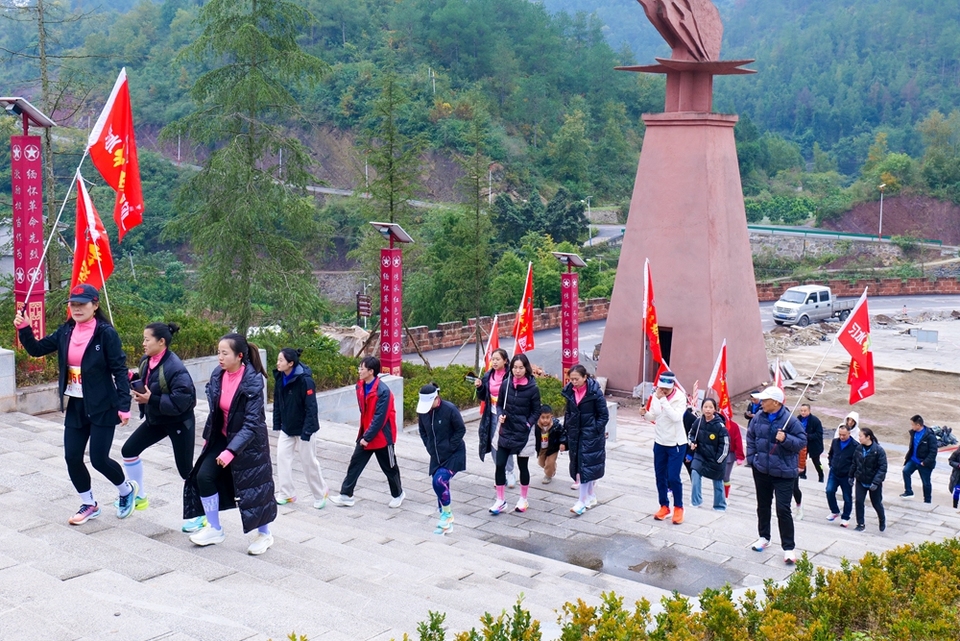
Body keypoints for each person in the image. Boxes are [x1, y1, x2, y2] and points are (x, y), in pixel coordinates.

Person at [15, 284, 138, 525]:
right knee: (72, 457)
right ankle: (89, 503)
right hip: (77, 404)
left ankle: (126, 491)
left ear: (95, 305)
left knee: (99, 459)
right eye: (73, 304)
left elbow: (120, 371)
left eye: (83, 304)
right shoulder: (66, 331)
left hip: (103, 405)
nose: (77, 308)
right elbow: (37, 349)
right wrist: (24, 327)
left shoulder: (105, 333)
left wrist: (125, 406)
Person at [183, 334, 277, 554]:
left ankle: (265, 535)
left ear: (240, 356)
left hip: (249, 444)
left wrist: (231, 451)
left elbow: (252, 423)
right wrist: (209, 437)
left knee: (254, 490)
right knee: (203, 476)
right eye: (218, 352)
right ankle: (214, 528)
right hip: (222, 437)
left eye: (225, 353)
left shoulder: (252, 380)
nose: (220, 357)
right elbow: (216, 411)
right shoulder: (218, 374)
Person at [121, 322, 200, 532]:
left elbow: (184, 402)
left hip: (178, 423)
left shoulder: (176, 368)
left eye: (147, 339)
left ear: (161, 341)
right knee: (128, 451)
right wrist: (134, 380)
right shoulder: (146, 361)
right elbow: (149, 382)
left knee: (186, 471)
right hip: (157, 419)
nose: (143, 343)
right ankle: (139, 497)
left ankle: (200, 514)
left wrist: (151, 399)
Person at [330, 356, 404, 507]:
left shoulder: (383, 391)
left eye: (361, 368)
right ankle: (346, 495)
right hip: (366, 434)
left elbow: (380, 418)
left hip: (383, 436)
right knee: (355, 464)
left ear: (371, 371)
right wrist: (364, 435)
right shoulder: (360, 386)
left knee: (390, 468)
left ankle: (398, 494)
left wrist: (367, 437)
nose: (359, 371)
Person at [745, 386, 806, 564]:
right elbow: (751, 437)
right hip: (762, 470)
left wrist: (786, 439)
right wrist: (752, 459)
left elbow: (802, 441)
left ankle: (788, 548)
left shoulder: (791, 420)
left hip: (784, 474)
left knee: (782, 509)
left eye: (765, 400)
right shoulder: (758, 417)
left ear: (776, 402)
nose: (761, 403)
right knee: (763, 506)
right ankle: (764, 537)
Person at [273, 348, 329, 509]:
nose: (278, 363)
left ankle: (320, 493)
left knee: (309, 462)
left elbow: (312, 408)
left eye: (281, 360)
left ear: (290, 363)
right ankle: (287, 493)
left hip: (305, 429)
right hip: (287, 428)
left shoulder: (305, 380)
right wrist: (278, 423)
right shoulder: (280, 377)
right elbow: (278, 403)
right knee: (282, 458)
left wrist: (307, 431)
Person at [490, 353, 541, 514]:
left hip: (523, 432)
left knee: (522, 466)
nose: (517, 371)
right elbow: (498, 405)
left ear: (526, 369)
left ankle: (523, 498)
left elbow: (536, 410)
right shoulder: (506, 384)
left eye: (521, 368)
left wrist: (527, 423)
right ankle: (500, 500)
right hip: (506, 429)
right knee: (500, 464)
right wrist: (500, 415)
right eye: (515, 368)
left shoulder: (532, 388)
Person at [416, 383, 466, 535]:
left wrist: (450, 446)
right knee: (442, 486)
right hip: (436, 455)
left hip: (454, 454)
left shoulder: (449, 409)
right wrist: (429, 447)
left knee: (439, 481)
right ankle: (445, 522)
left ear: (437, 398)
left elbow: (461, 429)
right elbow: (422, 431)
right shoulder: (423, 412)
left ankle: (447, 515)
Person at [640, 371, 687, 524]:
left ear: (673, 385)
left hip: (676, 443)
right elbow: (654, 416)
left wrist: (664, 400)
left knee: (673, 477)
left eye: (666, 388)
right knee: (660, 476)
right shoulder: (656, 394)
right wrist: (645, 414)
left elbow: (676, 418)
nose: (663, 390)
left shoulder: (680, 397)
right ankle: (664, 506)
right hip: (660, 441)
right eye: (661, 388)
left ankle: (679, 507)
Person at [561, 365, 609, 515]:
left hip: (591, 436)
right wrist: (565, 436)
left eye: (577, 379)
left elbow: (604, 415)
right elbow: (568, 415)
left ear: (585, 377)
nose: (573, 382)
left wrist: (595, 430)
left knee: (584, 468)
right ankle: (590, 496)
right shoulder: (570, 392)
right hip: (576, 435)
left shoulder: (595, 393)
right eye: (571, 379)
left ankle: (581, 501)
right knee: (582, 467)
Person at [476, 348, 517, 487]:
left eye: (497, 359)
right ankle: (500, 472)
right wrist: (480, 387)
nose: (494, 362)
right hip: (492, 414)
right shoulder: (488, 375)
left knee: (505, 444)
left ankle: (510, 472)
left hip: (507, 415)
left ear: (505, 361)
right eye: (492, 359)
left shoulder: (510, 376)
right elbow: (483, 397)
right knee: (494, 444)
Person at [688, 398, 729, 511]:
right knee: (695, 474)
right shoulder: (698, 421)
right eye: (705, 407)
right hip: (700, 456)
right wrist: (692, 443)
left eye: (711, 407)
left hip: (716, 458)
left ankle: (719, 505)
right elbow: (691, 434)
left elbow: (725, 445)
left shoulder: (720, 426)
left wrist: (719, 460)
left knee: (718, 483)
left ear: (715, 409)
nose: (708, 410)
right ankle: (696, 501)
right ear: (702, 408)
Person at [850, 427, 887, 532]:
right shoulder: (858, 448)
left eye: (861, 436)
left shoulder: (878, 450)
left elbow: (882, 467)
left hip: (873, 482)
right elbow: (854, 463)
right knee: (859, 501)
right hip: (861, 480)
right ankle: (860, 524)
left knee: (876, 503)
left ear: (868, 437)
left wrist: (876, 482)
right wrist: (851, 476)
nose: (859, 438)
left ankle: (882, 519)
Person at [825, 424, 858, 527]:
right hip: (834, 472)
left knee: (847, 497)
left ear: (849, 433)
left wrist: (851, 473)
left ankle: (845, 518)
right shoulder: (835, 442)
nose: (842, 437)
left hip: (846, 475)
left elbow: (856, 461)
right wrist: (831, 464)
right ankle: (834, 510)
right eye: (840, 434)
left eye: (844, 435)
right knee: (829, 491)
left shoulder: (855, 445)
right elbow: (831, 454)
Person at [901, 414, 938, 503]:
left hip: (924, 463)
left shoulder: (930, 436)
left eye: (912, 424)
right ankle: (908, 491)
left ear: (918, 425)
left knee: (926, 483)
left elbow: (933, 452)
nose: (911, 426)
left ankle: (927, 500)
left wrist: (925, 462)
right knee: (905, 471)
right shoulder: (913, 433)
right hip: (913, 460)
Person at [534, 404, 565, 484]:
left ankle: (548, 475)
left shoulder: (556, 425)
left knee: (550, 463)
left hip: (552, 448)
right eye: (543, 417)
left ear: (551, 416)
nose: (545, 420)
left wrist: (562, 443)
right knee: (541, 463)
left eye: (547, 417)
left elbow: (562, 433)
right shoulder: (536, 426)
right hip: (541, 448)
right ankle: (551, 468)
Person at [798, 404, 824, 482]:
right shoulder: (798, 419)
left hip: (814, 445)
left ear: (809, 411)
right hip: (802, 444)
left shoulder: (815, 420)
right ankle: (802, 474)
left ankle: (821, 474)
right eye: (801, 411)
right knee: (802, 459)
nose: (803, 412)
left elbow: (819, 434)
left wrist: (808, 436)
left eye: (805, 411)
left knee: (817, 462)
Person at [722, 418, 746, 499]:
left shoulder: (734, 426)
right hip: (717, 453)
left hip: (729, 455)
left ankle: (725, 496)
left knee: (725, 476)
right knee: (718, 477)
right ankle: (719, 496)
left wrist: (740, 456)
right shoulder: (716, 423)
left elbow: (738, 440)